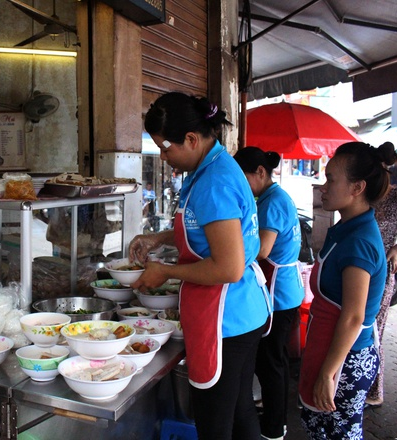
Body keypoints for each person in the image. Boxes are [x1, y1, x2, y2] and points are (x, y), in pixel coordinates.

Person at [129, 92, 270, 440]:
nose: (163, 156)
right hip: (242, 311)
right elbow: (205, 231)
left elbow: (229, 267)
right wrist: (160, 239)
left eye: (165, 147)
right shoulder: (208, 167)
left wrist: (165, 271)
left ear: (192, 139)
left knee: (215, 424)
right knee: (239, 412)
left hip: (227, 316)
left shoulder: (214, 182)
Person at [298, 141, 394, 439]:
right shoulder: (347, 228)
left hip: (346, 360)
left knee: (339, 434)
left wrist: (328, 373)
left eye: (331, 179)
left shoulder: (360, 241)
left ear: (357, 187)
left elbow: (354, 317)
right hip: (329, 349)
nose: (323, 187)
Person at [234, 147, 305, 440]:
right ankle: (275, 417)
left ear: (260, 173)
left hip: (280, 294)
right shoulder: (271, 197)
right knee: (275, 361)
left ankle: (275, 428)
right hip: (285, 291)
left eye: (243, 178)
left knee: (271, 364)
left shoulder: (272, 202)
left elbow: (262, 249)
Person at [366, 142, 397, 408]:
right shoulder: (364, 194)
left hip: (381, 274)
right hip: (359, 267)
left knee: (374, 332)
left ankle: (374, 390)